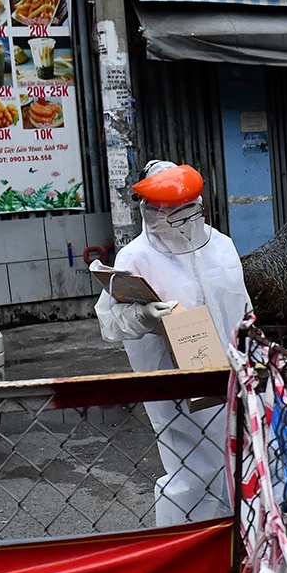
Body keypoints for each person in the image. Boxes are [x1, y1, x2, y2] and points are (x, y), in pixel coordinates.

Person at [97, 160, 252, 527]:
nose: (177, 219)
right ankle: (184, 553)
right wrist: (144, 317)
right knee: (191, 475)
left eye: (185, 210)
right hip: (175, 384)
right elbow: (109, 323)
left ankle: (250, 549)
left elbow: (243, 309)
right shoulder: (136, 257)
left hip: (233, 375)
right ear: (148, 211)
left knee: (244, 464)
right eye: (167, 211)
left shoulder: (222, 247)